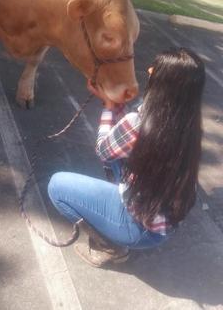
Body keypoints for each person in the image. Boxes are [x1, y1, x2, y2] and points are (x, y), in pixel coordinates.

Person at [48, 48, 205, 267]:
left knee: (56, 186)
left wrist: (108, 108)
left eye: (156, 69)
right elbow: (130, 136)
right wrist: (116, 105)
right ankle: (119, 221)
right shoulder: (189, 125)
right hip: (162, 224)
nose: (149, 70)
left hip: (138, 229)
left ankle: (111, 247)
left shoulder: (138, 123)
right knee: (117, 153)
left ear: (164, 82)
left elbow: (103, 148)